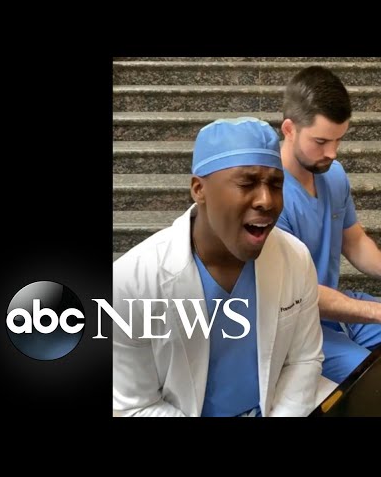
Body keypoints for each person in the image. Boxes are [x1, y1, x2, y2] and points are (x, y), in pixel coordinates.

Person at [112, 117, 325, 417]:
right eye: (247, 183)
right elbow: (135, 405)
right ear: (199, 189)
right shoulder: (130, 282)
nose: (266, 201)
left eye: (276, 185)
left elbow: (304, 360)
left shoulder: (295, 257)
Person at [277, 66, 381, 384]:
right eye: (321, 141)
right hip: (295, 325)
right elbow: (294, 293)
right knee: (377, 379)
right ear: (289, 129)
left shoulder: (333, 174)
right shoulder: (267, 195)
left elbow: (354, 242)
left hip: (340, 310)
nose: (332, 152)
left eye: (339, 139)